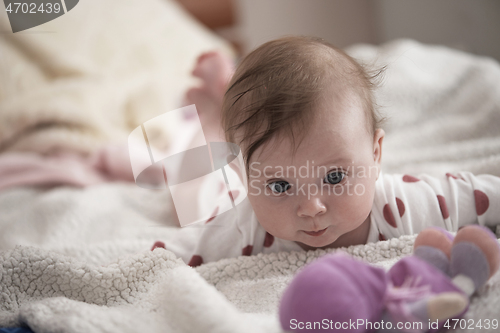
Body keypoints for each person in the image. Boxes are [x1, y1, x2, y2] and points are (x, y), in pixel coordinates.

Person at [156, 36, 500, 267]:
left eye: (334, 177)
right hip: (221, 192)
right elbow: (166, 257)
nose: (311, 208)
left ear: (376, 153)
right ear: (242, 174)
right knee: (188, 198)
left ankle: (223, 98)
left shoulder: (406, 206)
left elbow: (484, 194)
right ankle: (210, 116)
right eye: (279, 186)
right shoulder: (240, 229)